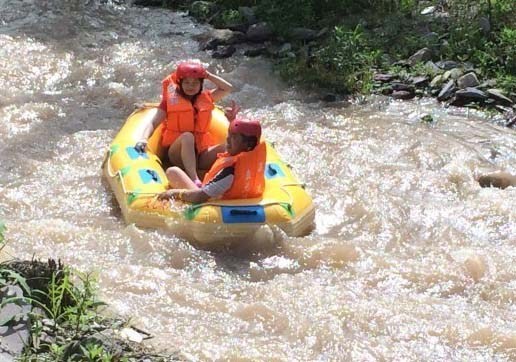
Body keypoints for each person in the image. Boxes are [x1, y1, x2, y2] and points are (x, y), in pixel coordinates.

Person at [136, 61, 233, 187]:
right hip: (176, 154)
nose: (190, 86)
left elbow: (227, 88)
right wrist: (143, 139)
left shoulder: (207, 98)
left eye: (195, 83)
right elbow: (153, 123)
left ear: (201, 84)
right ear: (179, 83)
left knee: (228, 146)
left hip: (200, 154)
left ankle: (229, 178)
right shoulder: (169, 103)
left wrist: (207, 75)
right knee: (188, 136)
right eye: (186, 82)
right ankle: (194, 179)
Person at [157, 117, 266, 204]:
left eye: (234, 137)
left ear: (248, 144)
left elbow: (199, 197)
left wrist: (176, 193)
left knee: (173, 171)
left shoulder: (230, 170)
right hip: (240, 197)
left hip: (211, 203)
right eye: (229, 135)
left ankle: (194, 184)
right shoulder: (252, 158)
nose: (227, 139)